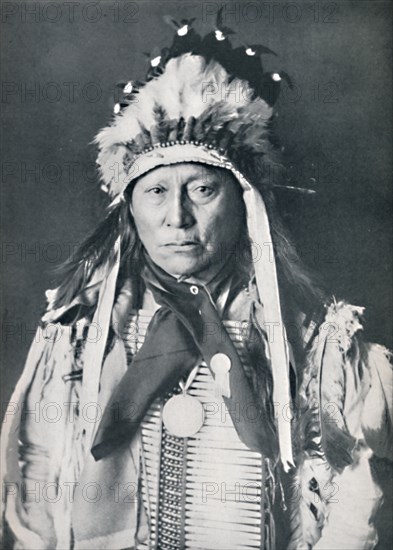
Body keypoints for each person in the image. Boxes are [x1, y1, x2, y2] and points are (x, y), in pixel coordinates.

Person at [1, 14, 392, 550]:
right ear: (129, 211)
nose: (177, 218)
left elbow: (354, 508)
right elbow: (39, 496)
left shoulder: (321, 352)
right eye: (156, 192)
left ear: (245, 203)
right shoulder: (77, 339)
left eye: (202, 190)